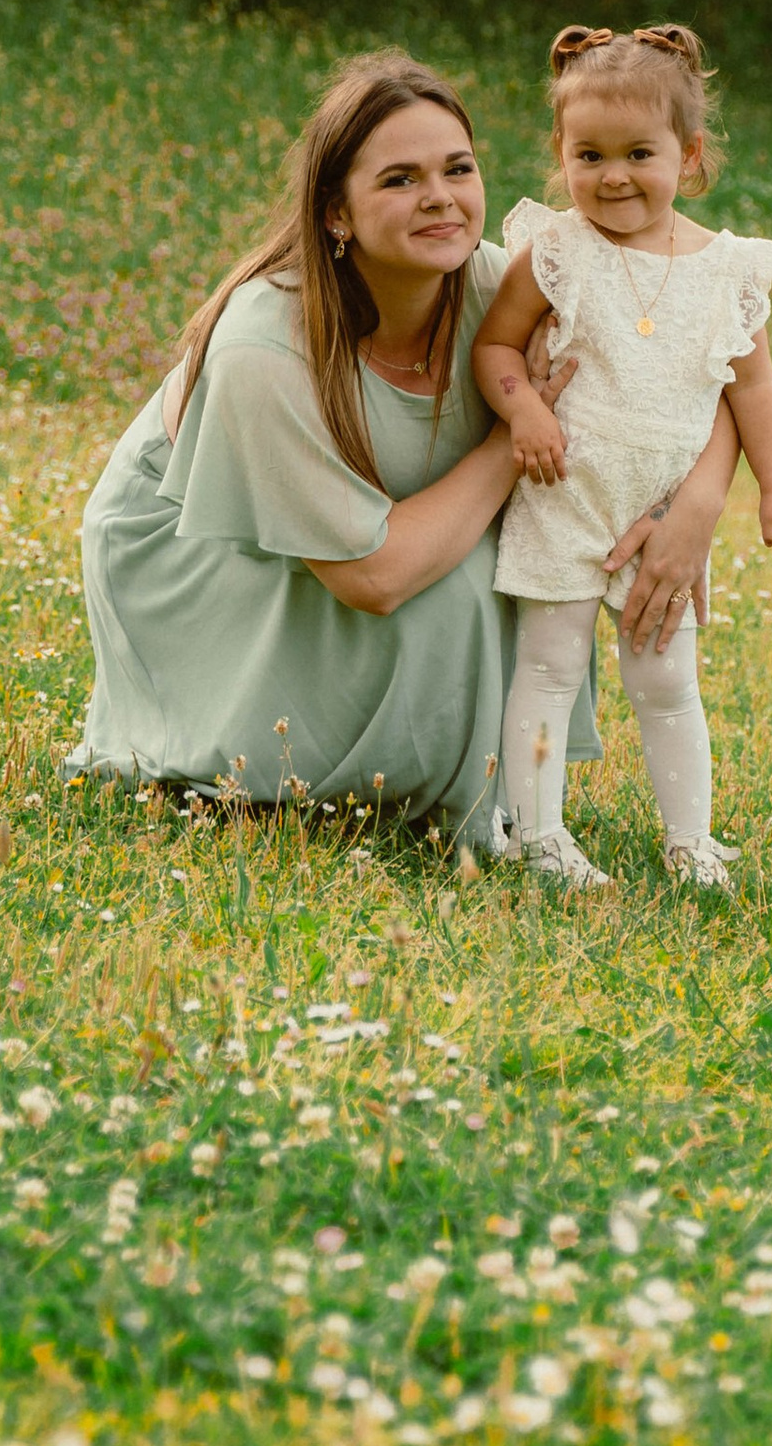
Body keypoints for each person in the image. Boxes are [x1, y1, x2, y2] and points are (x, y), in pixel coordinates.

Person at [72, 48, 737, 851]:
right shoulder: (264, 345)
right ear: (335, 213)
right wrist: (509, 440)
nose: (440, 201)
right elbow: (373, 576)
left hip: (390, 527)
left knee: (514, 570)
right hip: (204, 550)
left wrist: (693, 506)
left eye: (457, 169)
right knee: (459, 593)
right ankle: (307, 764)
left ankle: (469, 789)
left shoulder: (506, 286)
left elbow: (717, 368)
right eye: (399, 180)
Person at [472, 22, 772, 891]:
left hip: (658, 507)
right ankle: (541, 835)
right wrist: (523, 416)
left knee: (665, 680)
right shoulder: (554, 251)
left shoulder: (728, 269)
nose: (612, 175)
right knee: (546, 666)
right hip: (564, 494)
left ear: (689, 156)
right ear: (561, 153)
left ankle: (690, 839)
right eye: (590, 155)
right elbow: (496, 350)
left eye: (638, 153)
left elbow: (753, 390)